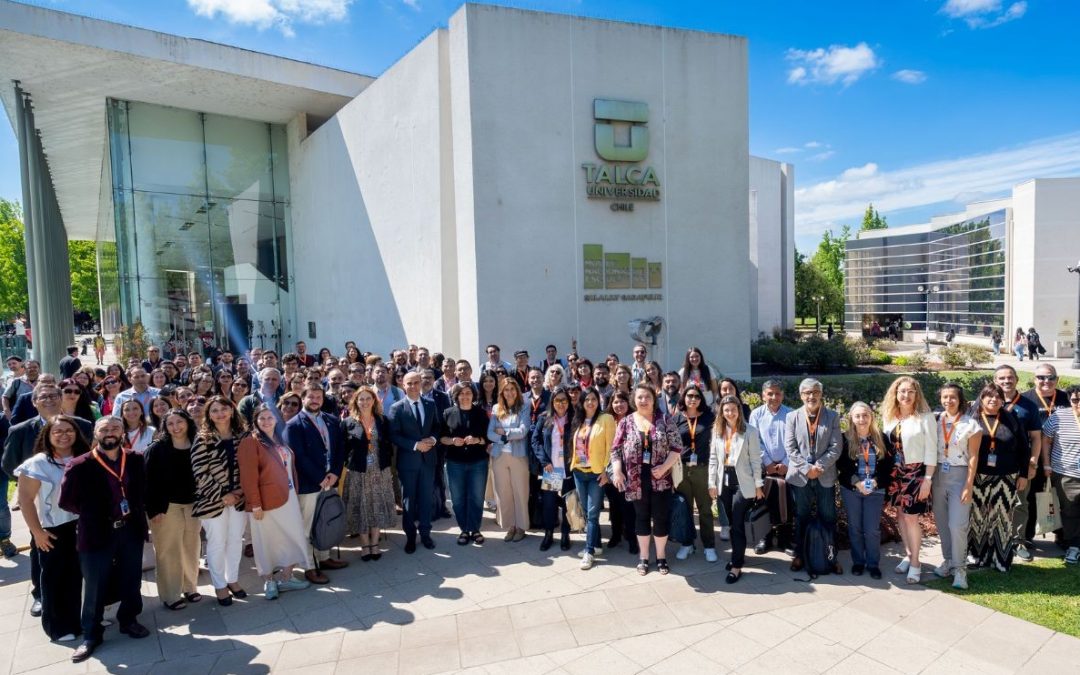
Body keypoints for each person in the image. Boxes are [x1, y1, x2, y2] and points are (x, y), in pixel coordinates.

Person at [59, 417, 150, 663]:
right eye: (104, 429)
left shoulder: (135, 459)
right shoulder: (79, 465)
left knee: (132, 578)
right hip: (97, 532)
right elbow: (66, 501)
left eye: (115, 428)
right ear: (95, 433)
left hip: (130, 530)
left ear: (123, 432)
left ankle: (129, 620)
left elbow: (142, 491)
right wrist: (95, 514)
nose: (110, 433)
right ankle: (91, 633)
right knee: (95, 585)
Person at [15, 416, 87, 641]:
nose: (64, 435)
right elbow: (25, 500)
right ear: (48, 435)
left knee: (83, 576)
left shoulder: (85, 457)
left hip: (84, 525)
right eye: (58, 431)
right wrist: (37, 532)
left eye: (69, 430)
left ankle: (85, 618)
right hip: (54, 529)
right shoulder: (37, 463)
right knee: (56, 578)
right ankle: (59, 627)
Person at [238, 405, 311, 599]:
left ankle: (287, 577)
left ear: (277, 419)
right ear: (255, 421)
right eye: (262, 418)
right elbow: (248, 477)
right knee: (265, 542)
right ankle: (269, 581)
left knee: (293, 537)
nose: (266, 421)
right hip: (265, 502)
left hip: (288, 497)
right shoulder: (250, 442)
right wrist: (255, 504)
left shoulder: (280, 439)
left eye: (270, 417)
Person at [611, 384, 682, 576]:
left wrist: (665, 467)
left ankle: (660, 557)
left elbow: (677, 447)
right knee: (641, 517)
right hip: (635, 479)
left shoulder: (665, 420)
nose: (644, 401)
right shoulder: (625, 422)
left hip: (660, 478)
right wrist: (617, 471)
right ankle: (643, 557)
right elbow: (615, 449)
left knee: (660, 518)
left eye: (647, 397)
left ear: (654, 400)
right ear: (634, 400)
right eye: (640, 397)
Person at [284, 385, 347, 583]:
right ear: (303, 398)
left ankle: (324, 557)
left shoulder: (331, 420)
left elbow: (339, 449)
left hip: (331, 479)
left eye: (318, 397)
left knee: (325, 520)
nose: (315, 400)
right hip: (310, 484)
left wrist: (335, 473)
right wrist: (320, 477)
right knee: (308, 526)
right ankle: (310, 567)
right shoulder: (294, 425)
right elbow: (299, 457)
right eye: (310, 396)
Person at [190, 396, 248, 605]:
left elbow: (249, 467)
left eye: (224, 409)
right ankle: (219, 585)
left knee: (235, 540)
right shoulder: (203, 438)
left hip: (240, 498)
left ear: (232, 411)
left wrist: (240, 491)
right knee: (216, 543)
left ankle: (232, 579)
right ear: (209, 414)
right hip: (213, 500)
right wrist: (223, 495)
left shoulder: (242, 436)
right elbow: (199, 472)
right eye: (214, 410)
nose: (220, 413)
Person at [881, 376, 937, 583]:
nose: (906, 395)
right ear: (895, 394)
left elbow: (932, 450)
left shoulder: (925, 418)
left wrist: (928, 479)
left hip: (915, 473)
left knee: (912, 518)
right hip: (894, 473)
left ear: (917, 394)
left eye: (910, 391)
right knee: (900, 515)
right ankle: (909, 555)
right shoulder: (890, 417)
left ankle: (916, 564)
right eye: (902, 391)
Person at [144, 409, 202, 609]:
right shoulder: (157, 448)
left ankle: (190, 587)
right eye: (170, 424)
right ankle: (171, 595)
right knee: (169, 550)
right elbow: (148, 481)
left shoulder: (198, 443)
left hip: (193, 504)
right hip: (166, 507)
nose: (176, 427)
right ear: (165, 427)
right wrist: (153, 510)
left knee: (191, 548)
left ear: (187, 422)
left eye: (180, 422)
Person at [785, 378, 842, 574]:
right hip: (801, 477)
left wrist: (818, 467)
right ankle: (800, 555)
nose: (811, 396)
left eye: (815, 392)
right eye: (807, 393)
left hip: (824, 475)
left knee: (828, 517)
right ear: (801, 396)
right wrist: (806, 468)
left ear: (821, 394)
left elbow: (836, 447)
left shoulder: (832, 416)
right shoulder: (792, 417)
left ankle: (831, 557)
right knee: (801, 517)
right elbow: (790, 448)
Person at [969, 383, 1025, 572]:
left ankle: (1001, 560)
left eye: (998, 397)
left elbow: (1023, 448)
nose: (993, 400)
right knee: (978, 518)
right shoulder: (972, 418)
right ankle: (979, 557)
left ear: (1003, 400)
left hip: (1006, 477)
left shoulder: (1011, 418)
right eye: (989, 396)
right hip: (979, 476)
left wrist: (1024, 474)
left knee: (1002, 518)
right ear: (982, 398)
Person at [708, 394, 764, 583]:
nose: (730, 413)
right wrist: (711, 483)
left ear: (739, 410)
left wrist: (758, 485)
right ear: (721, 412)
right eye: (726, 410)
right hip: (724, 481)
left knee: (737, 521)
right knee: (731, 523)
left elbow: (756, 460)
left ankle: (737, 565)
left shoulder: (750, 431)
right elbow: (713, 459)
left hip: (743, 482)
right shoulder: (717, 431)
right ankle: (736, 557)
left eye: (733, 409)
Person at [836, 402, 895, 580]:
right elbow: (841, 465)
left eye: (865, 415)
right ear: (852, 419)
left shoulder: (881, 438)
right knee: (855, 528)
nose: (862, 419)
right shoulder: (844, 439)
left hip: (875, 491)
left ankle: (873, 564)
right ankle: (858, 562)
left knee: (872, 529)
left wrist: (876, 482)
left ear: (871, 417)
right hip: (852, 490)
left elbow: (888, 467)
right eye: (858, 416)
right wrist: (857, 482)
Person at [931, 384, 982, 589]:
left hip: (960, 476)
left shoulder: (971, 424)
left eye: (953, 397)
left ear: (960, 399)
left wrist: (969, 485)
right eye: (945, 397)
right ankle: (948, 561)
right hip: (938, 476)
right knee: (942, 524)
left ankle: (960, 569)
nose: (948, 401)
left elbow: (974, 457)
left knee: (957, 524)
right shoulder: (935, 420)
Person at [994, 365, 1044, 562]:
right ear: (995, 380)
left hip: (1020, 465)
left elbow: (1036, 437)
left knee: (1020, 502)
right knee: (992, 503)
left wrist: (1032, 463)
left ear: (1016, 379)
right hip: (991, 465)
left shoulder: (1028, 405)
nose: (1006, 381)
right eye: (1002, 378)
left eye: (1010, 377)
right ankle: (993, 539)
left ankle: (1017, 540)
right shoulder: (986, 401)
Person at [340, 386, 397, 559]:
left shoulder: (382, 420)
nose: (364, 402)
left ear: (374, 401)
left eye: (368, 398)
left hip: (380, 470)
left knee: (377, 505)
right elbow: (343, 449)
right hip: (358, 472)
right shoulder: (347, 422)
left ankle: (375, 543)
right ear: (356, 401)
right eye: (361, 399)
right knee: (361, 507)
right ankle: (365, 544)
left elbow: (388, 444)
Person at [388, 371, 439, 553]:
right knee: (409, 500)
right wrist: (416, 445)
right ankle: (410, 536)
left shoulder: (430, 404)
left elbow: (436, 427)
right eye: (409, 383)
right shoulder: (397, 408)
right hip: (408, 462)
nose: (413, 386)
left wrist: (433, 440)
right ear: (403, 385)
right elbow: (393, 435)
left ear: (421, 384)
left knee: (426, 499)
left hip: (428, 461)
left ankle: (425, 533)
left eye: (416, 382)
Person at [1022, 364, 1069, 554]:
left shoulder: (1067, 398)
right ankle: (1026, 537)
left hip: (1060, 458)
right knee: (1031, 499)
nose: (1046, 381)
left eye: (1050, 377)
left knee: (1061, 498)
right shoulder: (1025, 399)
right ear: (1034, 379)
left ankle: (1063, 536)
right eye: (1041, 377)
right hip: (1034, 458)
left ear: (1057, 379)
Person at [440, 383, 491, 546]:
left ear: (473, 395)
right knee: (458, 499)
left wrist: (477, 440)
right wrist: (452, 441)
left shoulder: (481, 413)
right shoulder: (448, 413)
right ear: (456, 396)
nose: (465, 396)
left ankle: (475, 529)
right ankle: (463, 529)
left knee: (476, 498)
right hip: (455, 463)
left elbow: (488, 438)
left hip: (478, 462)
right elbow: (441, 437)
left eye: (468, 393)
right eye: (461, 393)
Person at [570, 387, 616, 568]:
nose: (590, 402)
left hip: (597, 473)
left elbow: (612, 447)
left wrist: (606, 470)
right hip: (579, 472)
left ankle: (588, 551)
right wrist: (572, 464)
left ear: (599, 401)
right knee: (586, 511)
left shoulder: (606, 419)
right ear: (582, 402)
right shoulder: (579, 419)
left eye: (593, 399)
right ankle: (596, 545)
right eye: (587, 399)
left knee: (593, 513)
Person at [673, 384, 718, 562]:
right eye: (689, 395)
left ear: (701, 399)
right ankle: (687, 543)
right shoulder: (676, 419)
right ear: (683, 398)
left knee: (705, 509)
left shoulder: (709, 417)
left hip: (702, 468)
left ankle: (709, 546)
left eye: (696, 396)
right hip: (682, 469)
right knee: (685, 509)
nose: (693, 399)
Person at [748, 379, 793, 555]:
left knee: (786, 504)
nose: (774, 397)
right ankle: (764, 538)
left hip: (785, 468)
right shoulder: (756, 415)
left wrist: (786, 463)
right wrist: (767, 462)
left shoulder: (791, 414)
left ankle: (784, 540)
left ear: (783, 395)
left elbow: (795, 442)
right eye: (770, 393)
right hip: (764, 468)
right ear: (763, 395)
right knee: (763, 502)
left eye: (778, 393)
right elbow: (755, 440)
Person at [531, 386, 576, 554]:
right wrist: (544, 461)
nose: (561, 403)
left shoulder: (574, 418)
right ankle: (549, 533)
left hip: (569, 469)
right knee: (549, 504)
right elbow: (535, 441)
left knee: (567, 503)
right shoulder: (545, 418)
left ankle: (565, 534)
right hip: (552, 470)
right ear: (552, 402)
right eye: (557, 400)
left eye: (564, 400)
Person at [487, 378, 532, 542]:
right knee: (503, 492)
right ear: (502, 392)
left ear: (517, 391)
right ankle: (511, 526)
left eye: (512, 389)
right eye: (506, 390)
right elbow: (490, 433)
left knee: (520, 492)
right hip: (499, 456)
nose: (510, 392)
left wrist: (504, 433)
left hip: (518, 455)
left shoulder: (524, 407)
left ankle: (521, 527)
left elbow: (523, 430)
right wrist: (504, 438)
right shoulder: (496, 408)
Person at [1042, 384, 1080, 564]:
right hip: (1066, 473)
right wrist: (1046, 465)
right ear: (1070, 400)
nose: (1079, 403)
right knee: (1070, 511)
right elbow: (1046, 440)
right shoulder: (1058, 416)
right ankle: (1074, 546)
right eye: (1075, 400)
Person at [602, 391, 636, 554]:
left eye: (622, 401)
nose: (619, 405)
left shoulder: (634, 420)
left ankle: (631, 537)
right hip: (610, 468)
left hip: (629, 468)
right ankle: (615, 535)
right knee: (614, 505)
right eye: (615, 402)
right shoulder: (606, 421)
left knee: (628, 505)